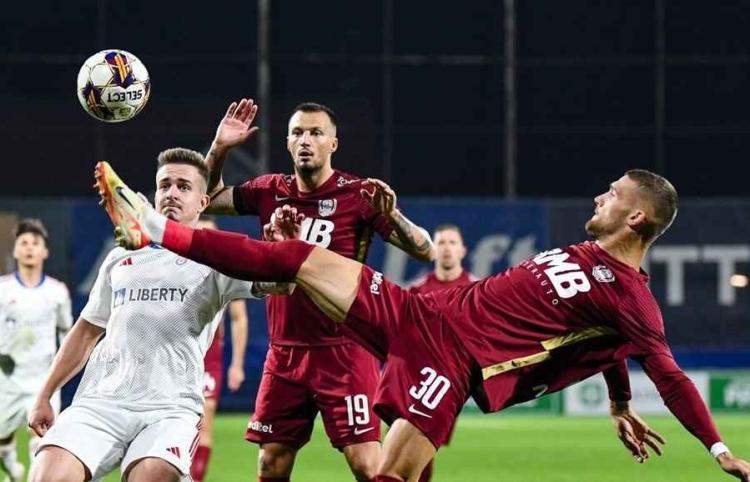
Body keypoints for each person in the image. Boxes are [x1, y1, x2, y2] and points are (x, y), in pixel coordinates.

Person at [96, 164, 750, 482]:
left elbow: (665, 372)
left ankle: (158, 229)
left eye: (613, 195)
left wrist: (718, 449)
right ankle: (155, 229)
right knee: (300, 258)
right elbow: (604, 345)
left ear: (637, 219)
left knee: (390, 477)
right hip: (419, 313)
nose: (600, 196)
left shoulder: (632, 299)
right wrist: (617, 402)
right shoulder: (591, 259)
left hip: (453, 360)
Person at [201, 99, 436, 482]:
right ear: (288, 143)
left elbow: (425, 250)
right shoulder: (270, 190)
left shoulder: (358, 194)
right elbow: (208, 200)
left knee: (367, 464)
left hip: (344, 350)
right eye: (297, 133)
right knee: (270, 463)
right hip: (286, 353)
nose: (305, 140)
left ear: (333, 144)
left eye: (315, 133)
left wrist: (392, 215)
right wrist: (220, 148)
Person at [28, 148, 282, 482]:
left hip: (169, 410)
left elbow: (280, 283)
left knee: (153, 475)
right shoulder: (120, 257)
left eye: (183, 187)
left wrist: (282, 251)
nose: (172, 193)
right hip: (101, 402)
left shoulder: (217, 257)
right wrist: (45, 393)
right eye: (165, 185)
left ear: (203, 202)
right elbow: (86, 331)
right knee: (47, 476)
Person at [0, 219, 72, 482]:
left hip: (43, 381)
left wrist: (62, 370)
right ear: (15, 251)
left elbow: (67, 332)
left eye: (35, 243)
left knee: (41, 441)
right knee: (2, 439)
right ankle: (8, 460)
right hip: (6, 380)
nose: (29, 248)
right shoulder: (2, 290)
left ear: (45, 252)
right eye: (24, 243)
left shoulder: (57, 292)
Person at [406, 223, 478, 481]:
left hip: (455, 379)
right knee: (417, 442)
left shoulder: (477, 289)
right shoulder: (416, 291)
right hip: (419, 378)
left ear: (463, 251)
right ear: (433, 249)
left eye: (452, 242)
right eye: (441, 242)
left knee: (420, 443)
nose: (446, 248)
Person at [190, 216, 249, 482]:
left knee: (204, 423)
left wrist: (236, 364)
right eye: (201, 236)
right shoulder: (173, 266)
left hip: (209, 353)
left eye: (212, 236)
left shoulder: (225, 270)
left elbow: (238, 317)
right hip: (175, 352)